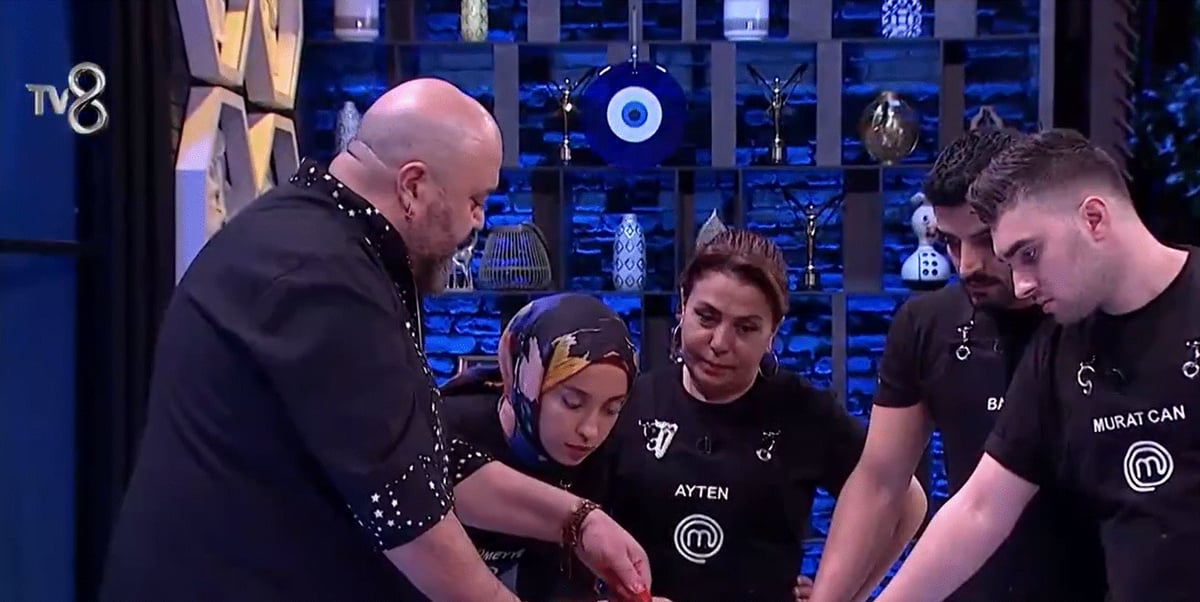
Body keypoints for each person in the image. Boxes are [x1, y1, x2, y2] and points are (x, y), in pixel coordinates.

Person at [99, 79, 651, 602]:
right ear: (413, 186)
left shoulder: (326, 241)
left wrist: (579, 522)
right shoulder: (319, 273)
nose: (478, 222)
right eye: (475, 200)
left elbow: (421, 455)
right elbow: (406, 510)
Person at [876, 129, 1200, 602]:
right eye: (1011, 262)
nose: (1022, 284)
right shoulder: (1058, 348)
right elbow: (980, 509)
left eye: (1029, 254)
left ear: (1094, 218)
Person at [812, 129, 1107, 601]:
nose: (968, 265)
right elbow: (880, 483)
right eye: (950, 243)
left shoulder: (1093, 319)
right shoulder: (926, 325)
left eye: (986, 241)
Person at [603, 228, 928, 602]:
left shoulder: (804, 412)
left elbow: (906, 501)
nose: (720, 343)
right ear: (682, 306)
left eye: (745, 328)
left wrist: (842, 594)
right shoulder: (629, 403)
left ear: (773, 331)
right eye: (706, 317)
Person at [439, 292, 645, 600]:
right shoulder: (445, 428)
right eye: (572, 403)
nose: (590, 431)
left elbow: (560, 583)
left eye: (612, 409)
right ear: (525, 381)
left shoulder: (601, 456)